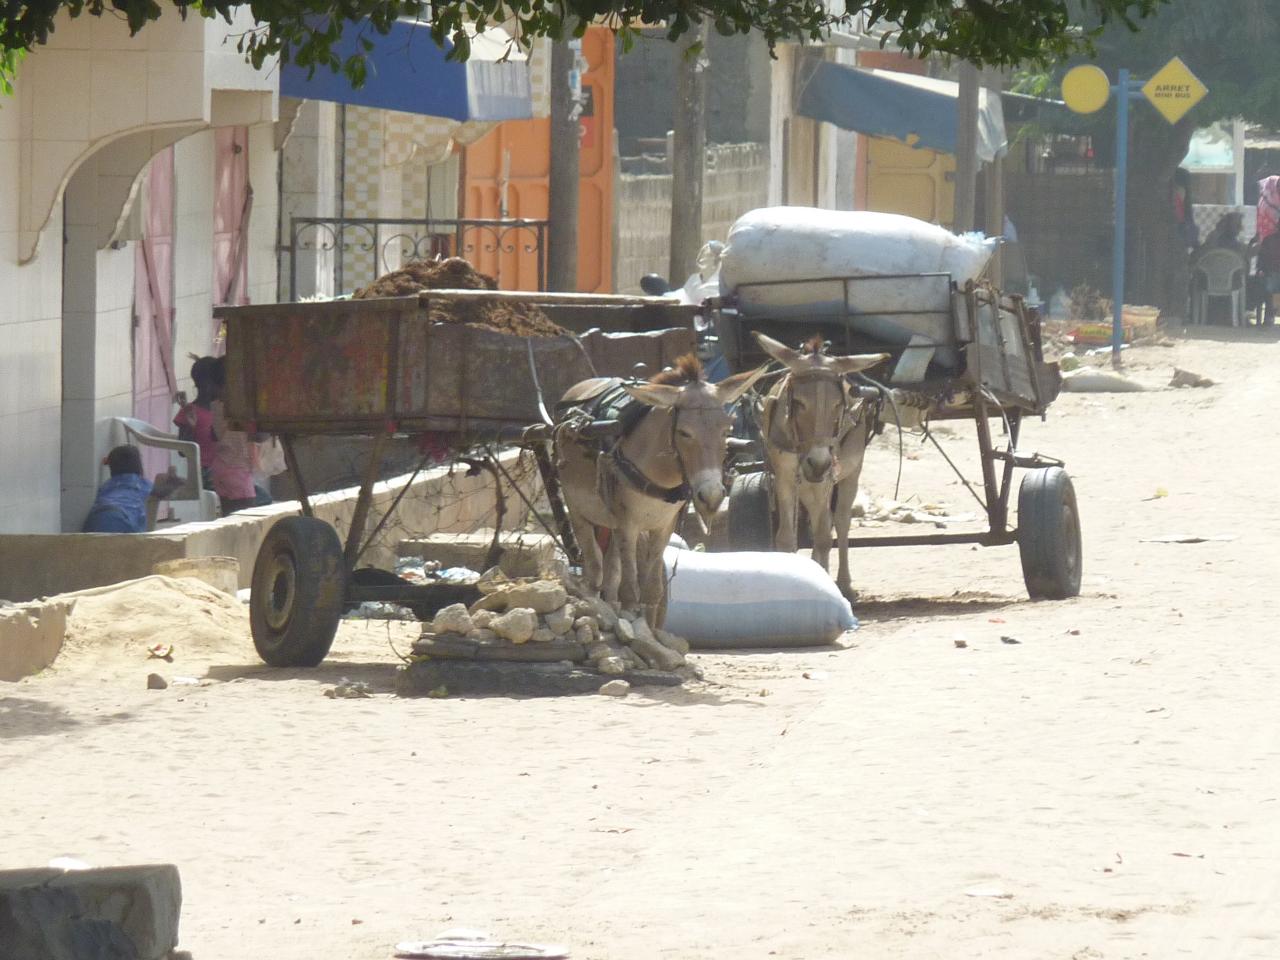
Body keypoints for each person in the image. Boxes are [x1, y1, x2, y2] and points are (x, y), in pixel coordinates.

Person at [208, 357, 273, 516]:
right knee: (244, 518)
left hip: (220, 467)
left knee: (228, 516)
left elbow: (214, 436)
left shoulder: (216, 406)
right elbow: (255, 438)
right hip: (238, 471)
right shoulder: (243, 410)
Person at [82, 445, 183, 533]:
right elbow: (162, 492)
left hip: (97, 516)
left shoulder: (106, 485)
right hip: (122, 518)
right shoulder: (139, 483)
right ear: (139, 466)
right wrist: (174, 482)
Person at [173, 355, 219, 487]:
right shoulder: (190, 411)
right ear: (208, 385)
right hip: (204, 473)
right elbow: (182, 451)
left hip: (224, 469)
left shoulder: (222, 410)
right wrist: (191, 427)